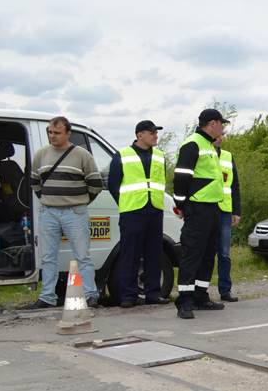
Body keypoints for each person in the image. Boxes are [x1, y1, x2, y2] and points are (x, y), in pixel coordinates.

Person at [27, 116, 103, 309]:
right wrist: (47, 198)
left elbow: (95, 183)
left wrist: (80, 201)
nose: (52, 136)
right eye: (50, 132)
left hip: (74, 211)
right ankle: (47, 297)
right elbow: (35, 181)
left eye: (57, 133)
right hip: (49, 212)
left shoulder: (82, 154)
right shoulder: (41, 154)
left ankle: (91, 294)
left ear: (68, 133)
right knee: (48, 257)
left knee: (82, 256)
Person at [107, 120, 170, 308]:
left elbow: (161, 181)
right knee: (130, 254)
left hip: (154, 210)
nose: (155, 136)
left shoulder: (160, 156)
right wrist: (125, 202)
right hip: (132, 212)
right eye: (151, 133)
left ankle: (153, 293)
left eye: (155, 133)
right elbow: (113, 184)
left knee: (154, 253)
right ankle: (128, 295)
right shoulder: (122, 155)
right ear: (139, 135)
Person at [172, 109, 228, 319]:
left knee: (207, 255)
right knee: (192, 254)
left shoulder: (210, 146)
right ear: (213, 123)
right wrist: (182, 205)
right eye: (222, 124)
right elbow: (181, 178)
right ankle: (184, 301)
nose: (223, 128)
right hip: (197, 208)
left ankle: (200, 296)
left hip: (212, 207)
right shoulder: (193, 144)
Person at [214, 136, 241, 302]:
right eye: (217, 135)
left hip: (225, 211)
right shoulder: (201, 154)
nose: (220, 138)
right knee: (205, 253)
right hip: (206, 211)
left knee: (224, 253)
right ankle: (199, 290)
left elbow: (234, 186)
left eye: (221, 135)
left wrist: (236, 211)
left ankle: (225, 290)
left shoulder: (227, 156)